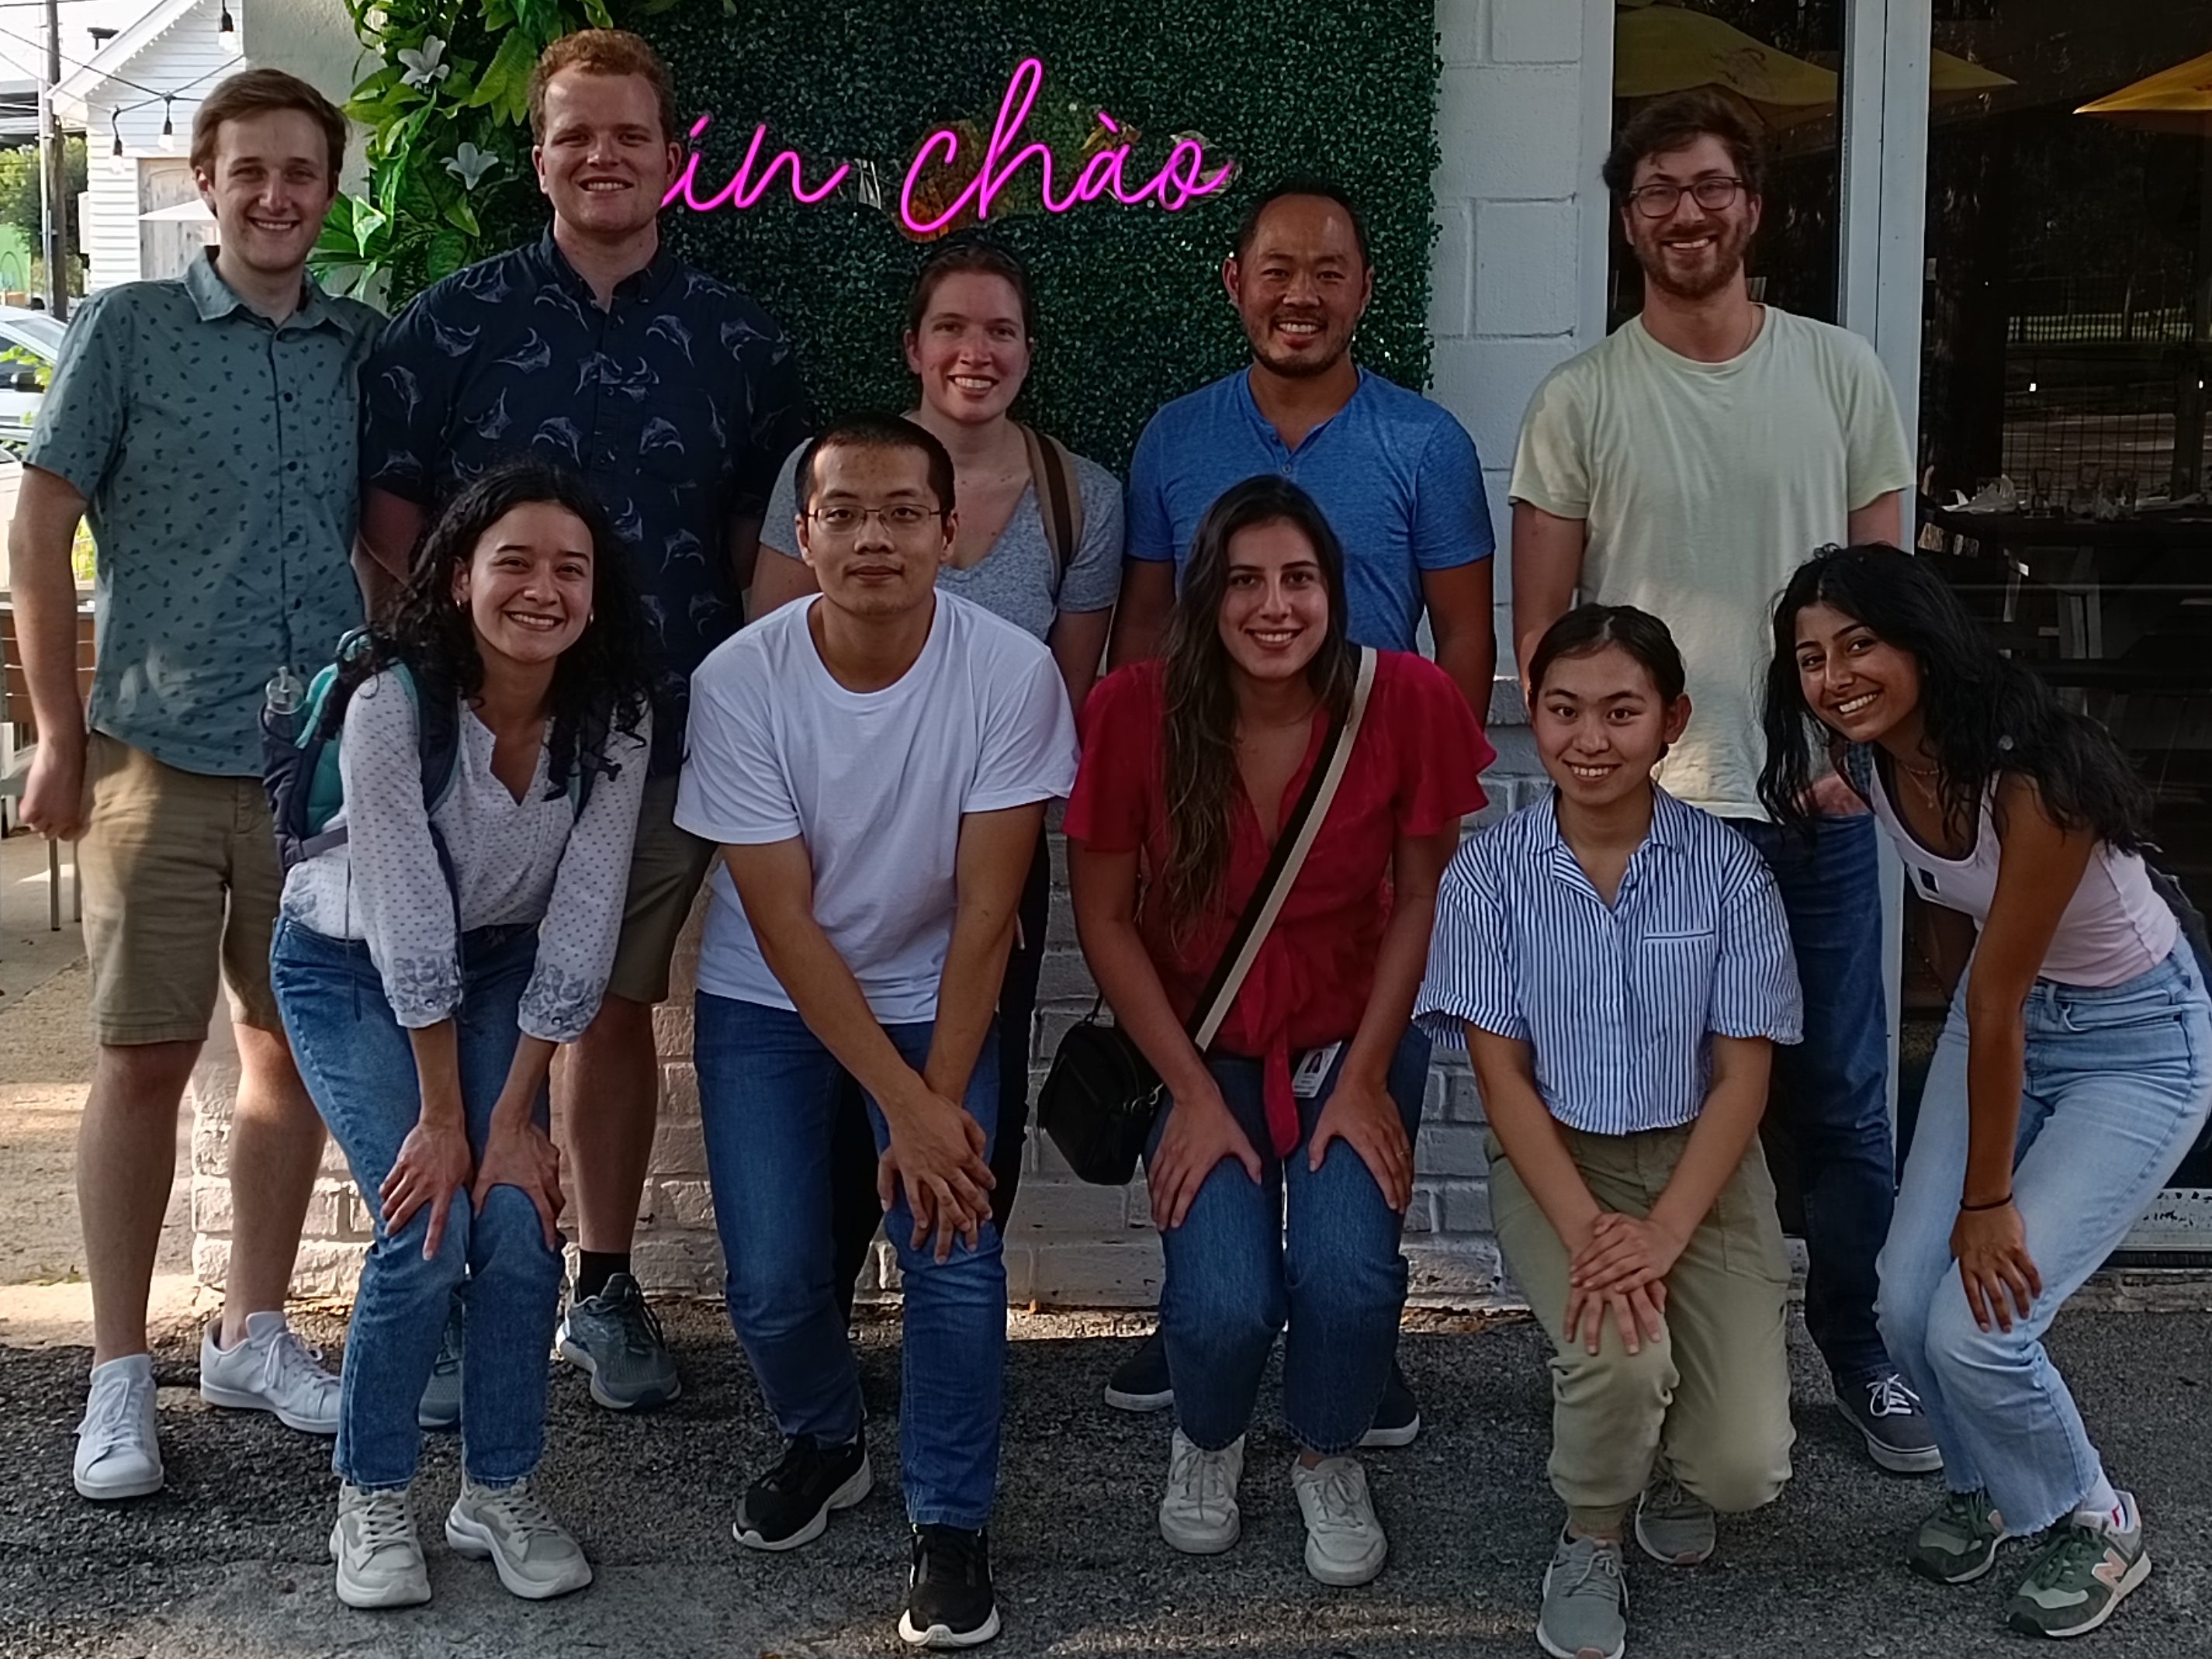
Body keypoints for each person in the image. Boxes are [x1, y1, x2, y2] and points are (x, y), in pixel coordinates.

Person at [358, 27, 807, 1411]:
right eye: (575, 135)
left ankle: (598, 1284)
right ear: (540, 154)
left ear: (671, 155)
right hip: (480, 740)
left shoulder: (740, 339)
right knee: (455, 983)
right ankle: (452, 1281)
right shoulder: (452, 322)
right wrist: (446, 674)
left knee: (607, 998)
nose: (602, 157)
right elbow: (391, 517)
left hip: (660, 733)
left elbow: (763, 545)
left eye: (628, 135)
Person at [1508, 90, 1931, 1473]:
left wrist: (1850, 757)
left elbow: (1889, 615)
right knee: (1660, 1101)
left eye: (1709, 187)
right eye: (1657, 192)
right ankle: (1666, 1365)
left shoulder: (1841, 374)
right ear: (1627, 220)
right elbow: (1544, 636)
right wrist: (1603, 789)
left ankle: (1860, 1347)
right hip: (1657, 828)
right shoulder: (1580, 400)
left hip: (1815, 812)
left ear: (1753, 204)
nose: (1685, 213)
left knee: (1840, 1104)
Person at [9, 68, 379, 1500]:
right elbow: (41, 529)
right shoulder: (129, 331)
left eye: (302, 172)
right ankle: (118, 1372)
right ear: (206, 185)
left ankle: (252, 1332)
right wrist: (55, 732)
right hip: (153, 758)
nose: (277, 195)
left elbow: (392, 542)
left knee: (288, 1051)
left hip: (313, 768)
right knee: (143, 1058)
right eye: (250, 171)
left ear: (329, 189)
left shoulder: (358, 348)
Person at [1103, 178, 1497, 1432]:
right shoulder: (1176, 436)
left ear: (1365, 289)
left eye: (1330, 271)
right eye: (1278, 268)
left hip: (1357, 847)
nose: (1302, 294)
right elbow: (1145, 627)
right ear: (1236, 282)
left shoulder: (1425, 443)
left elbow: (1465, 637)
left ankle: (1351, 1330)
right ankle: (1206, 1319)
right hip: (1213, 851)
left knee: (1348, 1173)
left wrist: (1419, 791)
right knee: (1214, 1169)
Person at [677, 414, 1077, 1648]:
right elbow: (783, 921)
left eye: (904, 513)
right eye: (843, 514)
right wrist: (907, 1109)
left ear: (949, 534)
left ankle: (951, 1523)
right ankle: (826, 1434)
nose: (873, 540)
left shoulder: (1010, 672)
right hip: (768, 994)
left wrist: (934, 1103)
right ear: (803, 535)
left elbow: (988, 912)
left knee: (952, 1248)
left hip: (937, 991)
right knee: (773, 1282)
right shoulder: (739, 680)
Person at [1763, 545, 2212, 1641]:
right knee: (1899, 1302)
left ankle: (2098, 1518)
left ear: (1923, 643)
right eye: (1812, 658)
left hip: (2134, 1045)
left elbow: (2001, 1000)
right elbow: (1953, 923)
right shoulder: (1875, 762)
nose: (1835, 676)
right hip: (2001, 1018)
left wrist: (1987, 1199)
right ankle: (1990, 1488)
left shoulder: (2034, 783)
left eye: (1860, 645)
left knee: (1980, 1326)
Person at [1068, 476, 1487, 1586]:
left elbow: (1420, 898)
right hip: (1198, 1049)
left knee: (1349, 1281)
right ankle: (1207, 1437)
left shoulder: (1403, 700)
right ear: (1206, 595)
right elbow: (1105, 920)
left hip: (1349, 1039)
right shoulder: (1134, 711)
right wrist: (1191, 1096)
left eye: (1299, 578)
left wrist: (1364, 1079)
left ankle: (1325, 1449)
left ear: (1334, 592)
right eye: (1245, 580)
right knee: (1224, 1303)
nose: (1274, 606)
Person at [271, 460, 652, 1609]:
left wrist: (514, 1120)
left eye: (570, 569)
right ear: (457, 579)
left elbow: (582, 923)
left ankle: (498, 1488)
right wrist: (448, 1120)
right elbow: (405, 918)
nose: (543, 589)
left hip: (499, 970)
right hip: (348, 964)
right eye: (514, 562)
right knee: (429, 1221)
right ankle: (372, 1491)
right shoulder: (392, 702)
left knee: (522, 1220)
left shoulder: (617, 714)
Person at [1418, 604, 1801, 1659]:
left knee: (1744, 1469)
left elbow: (1743, 1080)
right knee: (1619, 1361)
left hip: (1700, 1166)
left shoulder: (1729, 871)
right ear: (1534, 716)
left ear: (1671, 720)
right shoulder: (1489, 875)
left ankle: (1671, 1463)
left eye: (1622, 712)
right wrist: (1594, 1233)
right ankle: (1590, 1530)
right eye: (1564, 710)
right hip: (1560, 1161)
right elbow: (1502, 1082)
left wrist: (1664, 1232)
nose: (1590, 738)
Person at [751, 237, 1122, 1287]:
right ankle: (822, 1328)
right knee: (833, 1105)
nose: (976, 351)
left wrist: (990, 847)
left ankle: (952, 1313)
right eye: (951, 327)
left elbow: (1063, 704)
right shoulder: (823, 474)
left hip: (987, 858)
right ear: (912, 347)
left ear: (1029, 350)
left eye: (1001, 330)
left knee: (973, 1094)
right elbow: (770, 664)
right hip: (834, 850)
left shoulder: (1081, 498)